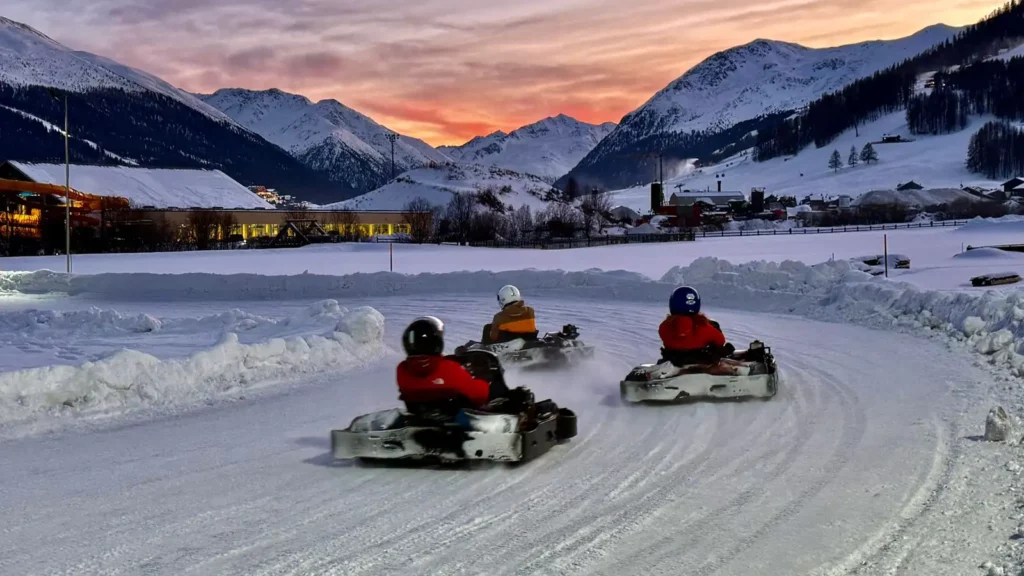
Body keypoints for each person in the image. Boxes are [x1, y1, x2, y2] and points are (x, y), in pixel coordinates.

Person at [397, 316, 504, 410]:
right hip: (453, 422)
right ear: (437, 343)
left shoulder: (402, 369)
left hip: (419, 415)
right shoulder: (449, 369)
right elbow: (479, 394)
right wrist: (483, 381)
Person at [658, 286, 729, 364]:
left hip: (673, 359)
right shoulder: (704, 327)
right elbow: (720, 340)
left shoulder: (664, 326)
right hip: (700, 361)